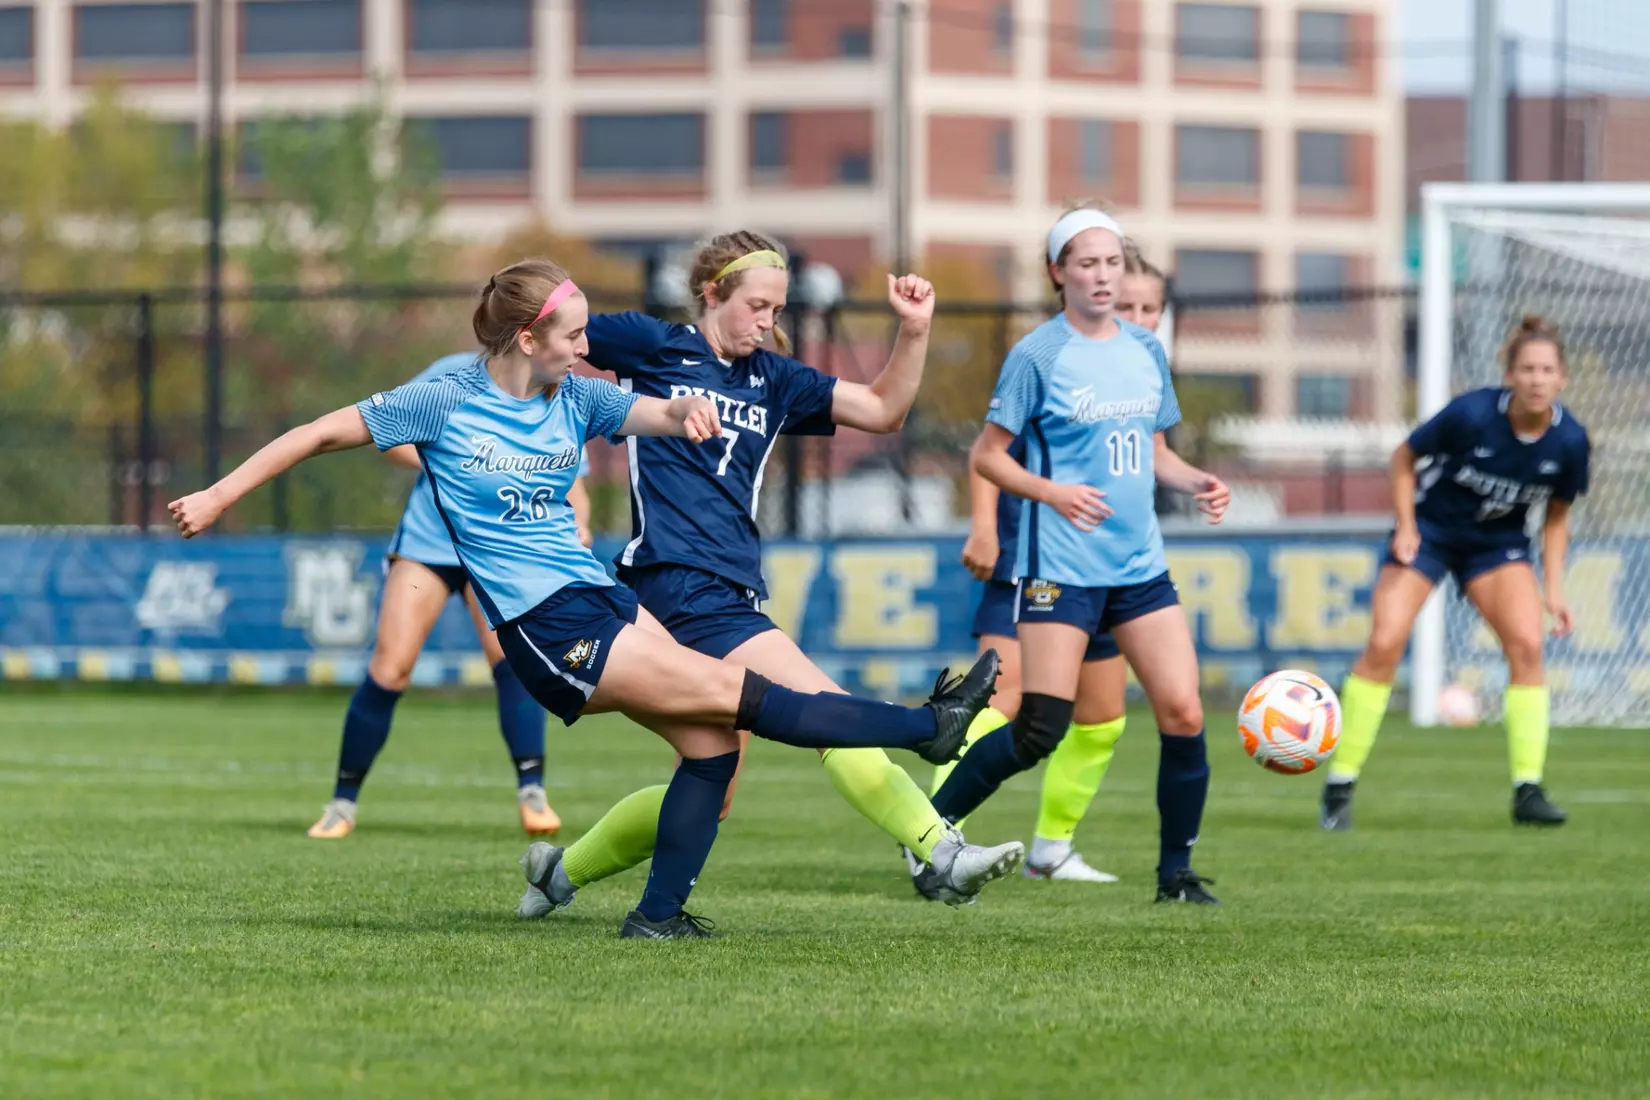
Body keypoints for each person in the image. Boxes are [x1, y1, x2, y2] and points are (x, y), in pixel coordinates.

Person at [168, 259, 1000, 940]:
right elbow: (316, 433)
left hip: (602, 599)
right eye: (573, 335)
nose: (586, 348)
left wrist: (686, 412)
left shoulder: (575, 396)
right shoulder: (448, 398)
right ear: (528, 338)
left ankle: (656, 916)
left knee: (712, 747)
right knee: (746, 700)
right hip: (546, 628)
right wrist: (216, 495)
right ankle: (926, 729)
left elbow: (656, 411)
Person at [513, 231, 1023, 920]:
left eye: (777, 309)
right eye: (756, 305)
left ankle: (558, 877)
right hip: (677, 590)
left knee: (710, 781)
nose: (768, 321)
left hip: (718, 594)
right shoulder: (653, 345)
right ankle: (942, 850)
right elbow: (555, 337)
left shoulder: (773, 378)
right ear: (711, 292)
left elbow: (882, 410)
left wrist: (915, 330)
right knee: (825, 710)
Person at [929, 207, 1230, 905]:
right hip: (1060, 570)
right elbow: (987, 457)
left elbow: (1154, 451)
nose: (1102, 275)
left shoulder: (1145, 349)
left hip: (1139, 570)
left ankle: (1175, 876)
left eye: (1112, 262)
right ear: (1058, 273)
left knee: (1183, 713)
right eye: (1087, 263)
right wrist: (1054, 493)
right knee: (1039, 728)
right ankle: (931, 831)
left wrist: (1198, 482)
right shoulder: (1039, 354)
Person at [306, 352, 594, 841]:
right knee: (391, 666)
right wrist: (452, 465)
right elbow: (389, 435)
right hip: (429, 543)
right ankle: (342, 803)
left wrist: (580, 523)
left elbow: (575, 479)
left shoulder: (559, 389)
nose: (573, 346)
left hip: (498, 551)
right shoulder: (452, 376)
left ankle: (533, 792)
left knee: (511, 663)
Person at [1320, 315, 1589, 831]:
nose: (1536, 378)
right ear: (1509, 375)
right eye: (1527, 368)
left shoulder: (1570, 442)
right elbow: (1404, 456)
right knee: (1384, 642)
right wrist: (1404, 525)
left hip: (1497, 545)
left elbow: (1557, 514)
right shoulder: (1470, 415)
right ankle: (1340, 784)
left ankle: (1527, 789)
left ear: (1562, 379)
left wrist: (1553, 589)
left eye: (1546, 370)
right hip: (1431, 532)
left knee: (1528, 646)